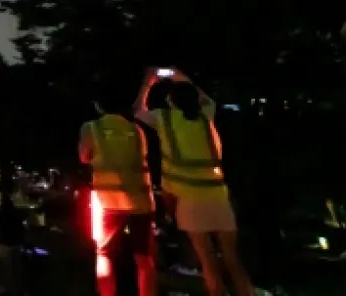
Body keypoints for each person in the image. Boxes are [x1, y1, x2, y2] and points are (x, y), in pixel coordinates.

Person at [134, 69, 255, 296]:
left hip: (189, 201)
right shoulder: (204, 116)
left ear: (170, 100)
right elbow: (205, 98)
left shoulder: (165, 119)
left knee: (207, 260)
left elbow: (138, 110)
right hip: (218, 196)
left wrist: (148, 82)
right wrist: (182, 77)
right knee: (233, 260)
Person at [81, 93, 158, 296]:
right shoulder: (136, 129)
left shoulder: (91, 127)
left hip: (108, 200)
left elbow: (83, 156)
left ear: (98, 106)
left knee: (104, 254)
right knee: (144, 257)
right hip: (141, 200)